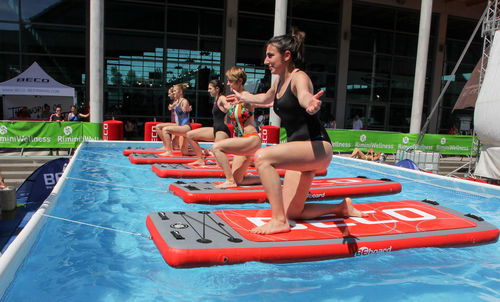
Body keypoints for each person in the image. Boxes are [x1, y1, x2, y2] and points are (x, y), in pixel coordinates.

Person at [226, 28, 363, 234]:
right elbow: (266, 99)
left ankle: (278, 221)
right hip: (301, 153)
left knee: (262, 157)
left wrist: (311, 104)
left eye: (270, 55)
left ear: (287, 56)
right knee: (295, 212)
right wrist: (244, 98)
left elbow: (305, 95)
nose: (266, 61)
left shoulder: (299, 77)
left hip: (317, 148)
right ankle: (342, 207)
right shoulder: (279, 82)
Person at [212, 66, 263, 188]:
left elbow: (263, 102)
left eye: (231, 80)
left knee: (216, 147)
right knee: (239, 179)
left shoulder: (246, 96)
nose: (228, 83)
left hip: (251, 139)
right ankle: (268, 178)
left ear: (240, 81)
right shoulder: (235, 98)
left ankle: (229, 181)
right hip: (242, 141)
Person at [186, 79, 231, 166]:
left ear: (217, 88)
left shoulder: (221, 98)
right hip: (215, 130)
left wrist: (229, 106)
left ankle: (244, 163)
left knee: (219, 164)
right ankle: (200, 159)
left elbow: (228, 105)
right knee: (190, 135)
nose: (208, 90)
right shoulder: (216, 100)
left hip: (222, 131)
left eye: (210, 88)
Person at [158, 83, 193, 156]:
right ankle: (204, 152)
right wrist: (170, 107)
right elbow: (171, 107)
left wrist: (187, 109)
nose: (173, 93)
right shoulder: (177, 101)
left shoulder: (184, 101)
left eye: (175, 91)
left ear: (180, 92)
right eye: (173, 91)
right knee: (184, 152)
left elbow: (186, 110)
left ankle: (169, 152)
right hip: (180, 127)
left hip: (185, 127)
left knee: (165, 130)